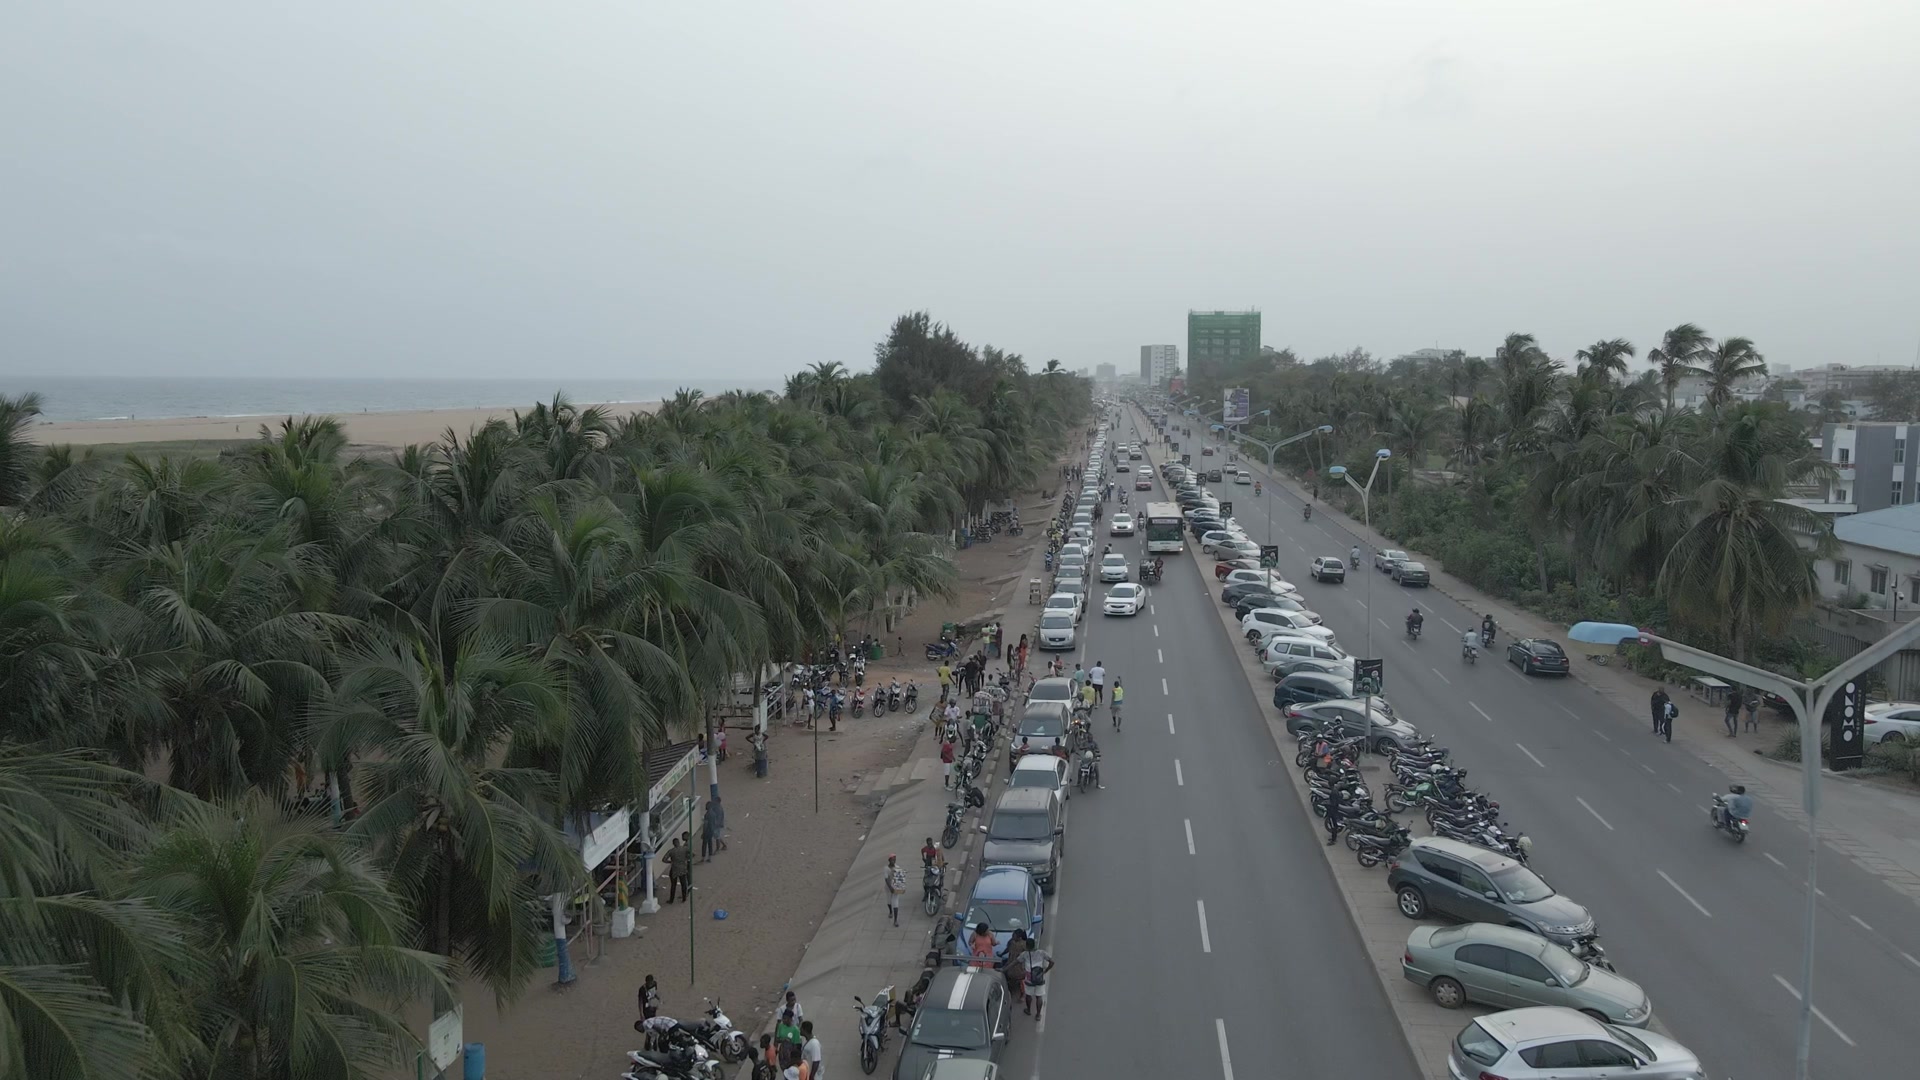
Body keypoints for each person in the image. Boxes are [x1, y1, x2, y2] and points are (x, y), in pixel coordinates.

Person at [1022, 944, 1053, 1020]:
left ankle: (1028, 1010)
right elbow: (1052, 962)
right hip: (1039, 978)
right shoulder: (1042, 953)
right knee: (1039, 996)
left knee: (1028, 995)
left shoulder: (1025, 954)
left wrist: (1004, 969)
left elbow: (1015, 962)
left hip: (1029, 979)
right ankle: (1038, 1015)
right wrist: (1046, 970)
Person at [663, 837, 690, 904]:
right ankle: (684, 898)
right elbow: (691, 854)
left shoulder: (671, 851)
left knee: (673, 885)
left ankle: (671, 900)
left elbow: (664, 859)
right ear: (679, 842)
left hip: (674, 870)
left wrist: (670, 862)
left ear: (673, 844)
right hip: (683, 869)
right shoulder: (684, 849)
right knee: (683, 884)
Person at [884, 855, 906, 927]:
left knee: (895, 903)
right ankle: (890, 911)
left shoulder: (897, 867)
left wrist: (902, 887)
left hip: (896, 888)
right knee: (889, 901)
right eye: (892, 860)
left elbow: (900, 878)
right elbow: (886, 879)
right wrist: (890, 888)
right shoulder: (886, 869)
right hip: (888, 888)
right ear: (889, 860)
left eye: (895, 860)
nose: (894, 861)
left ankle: (895, 920)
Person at [1324, 780, 1344, 846]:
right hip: (1334, 810)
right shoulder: (1335, 790)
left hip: (1333, 811)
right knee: (1334, 825)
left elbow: (1334, 803)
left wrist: (1328, 804)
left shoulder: (1333, 792)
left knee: (1333, 826)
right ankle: (1333, 838)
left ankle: (1333, 840)